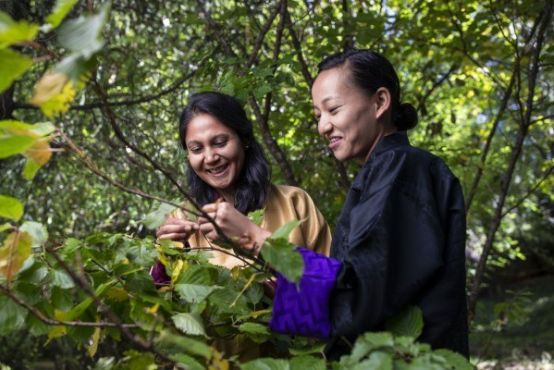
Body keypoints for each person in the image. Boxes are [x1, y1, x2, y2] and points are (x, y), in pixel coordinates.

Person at [201, 49, 469, 358]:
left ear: (380, 101)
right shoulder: (383, 174)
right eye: (318, 116)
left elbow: (357, 297)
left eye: (333, 110)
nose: (323, 126)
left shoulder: (404, 171)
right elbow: (340, 308)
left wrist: (255, 238)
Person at [152, 91, 331, 276]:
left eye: (220, 143)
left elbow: (334, 282)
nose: (210, 157)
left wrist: (252, 239)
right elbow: (164, 295)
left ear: (244, 139)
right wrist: (164, 254)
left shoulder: (294, 202)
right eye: (197, 149)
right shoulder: (183, 217)